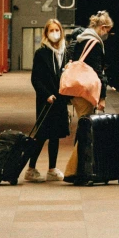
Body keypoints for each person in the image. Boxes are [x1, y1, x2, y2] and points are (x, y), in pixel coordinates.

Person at [63, 10, 113, 184]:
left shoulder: (80, 40)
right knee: (86, 131)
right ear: (103, 27)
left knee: (83, 127)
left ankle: (78, 170)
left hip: (77, 90)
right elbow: (98, 72)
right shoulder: (95, 43)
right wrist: (102, 97)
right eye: (108, 30)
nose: (107, 34)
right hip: (87, 91)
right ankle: (74, 171)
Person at [24, 19, 70, 182]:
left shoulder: (65, 52)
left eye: (57, 29)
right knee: (42, 135)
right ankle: (31, 168)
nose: (55, 33)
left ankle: (52, 168)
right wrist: (46, 95)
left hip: (60, 100)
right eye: (51, 30)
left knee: (55, 135)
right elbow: (35, 79)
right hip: (46, 101)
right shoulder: (41, 53)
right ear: (46, 33)